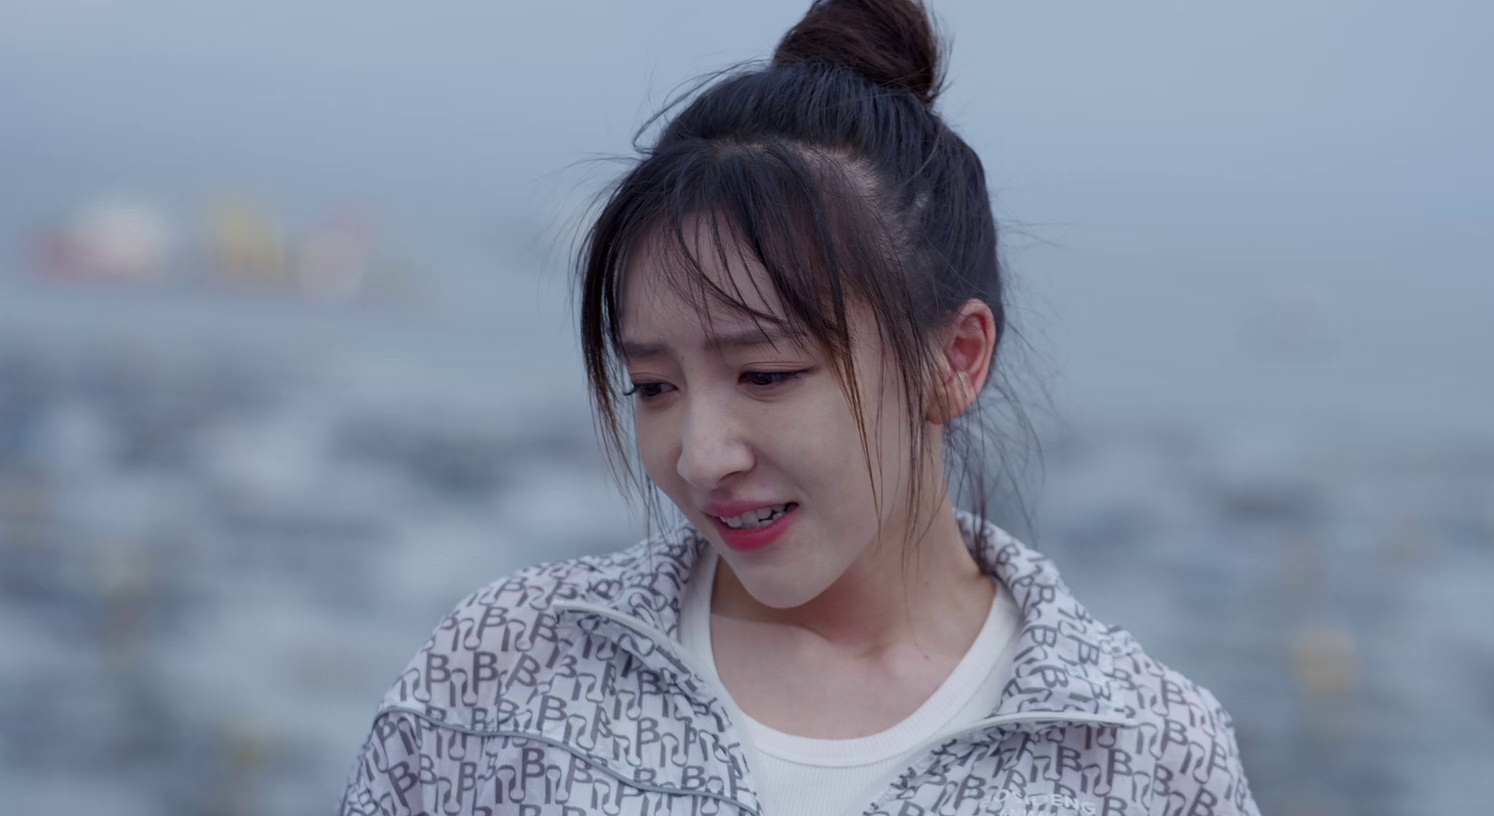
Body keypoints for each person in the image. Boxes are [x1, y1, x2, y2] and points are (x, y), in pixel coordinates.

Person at [338, 1, 1259, 813]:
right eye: (654, 386)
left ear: (955, 360)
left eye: (767, 375)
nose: (701, 455)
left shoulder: (1146, 756)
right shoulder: (502, 669)